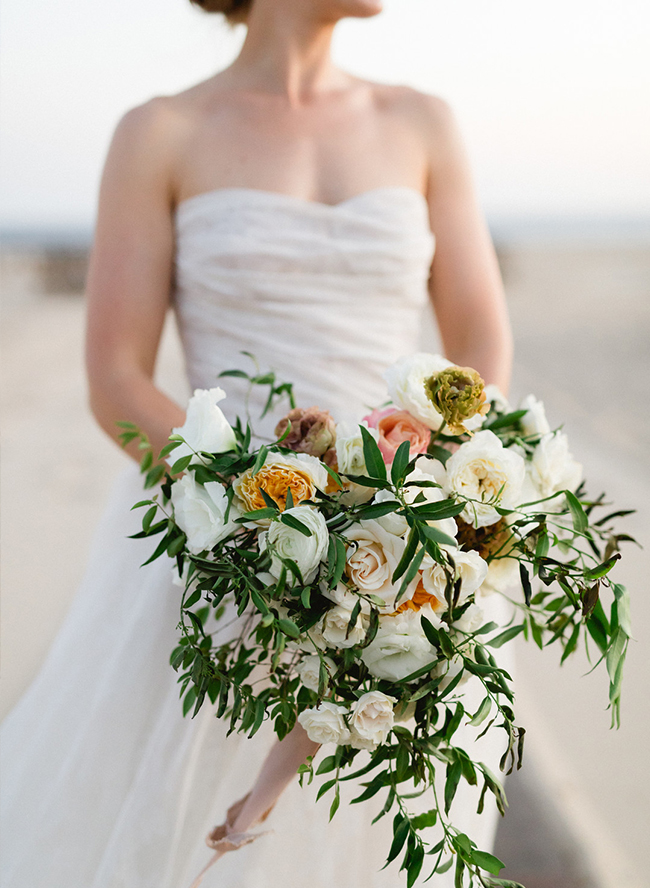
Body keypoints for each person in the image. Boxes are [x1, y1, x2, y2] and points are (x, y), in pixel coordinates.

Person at [0, 1, 514, 886]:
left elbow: (478, 343)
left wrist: (400, 510)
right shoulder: (160, 131)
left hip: (402, 557)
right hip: (217, 547)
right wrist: (263, 507)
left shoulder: (420, 120)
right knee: (179, 831)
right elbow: (117, 380)